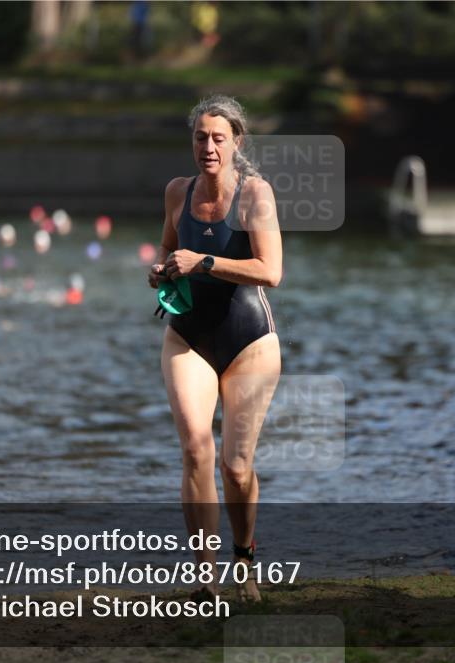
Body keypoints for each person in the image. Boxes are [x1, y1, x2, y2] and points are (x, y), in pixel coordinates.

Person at [148, 95, 282, 602]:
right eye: (201, 137)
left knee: (236, 466)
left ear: (236, 143)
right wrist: (161, 269)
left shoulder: (256, 195)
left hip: (249, 341)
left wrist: (202, 261)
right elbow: (167, 246)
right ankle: (206, 573)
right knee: (194, 450)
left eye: (218, 137)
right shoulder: (176, 193)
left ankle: (243, 559)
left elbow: (271, 271)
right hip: (187, 336)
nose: (208, 146)